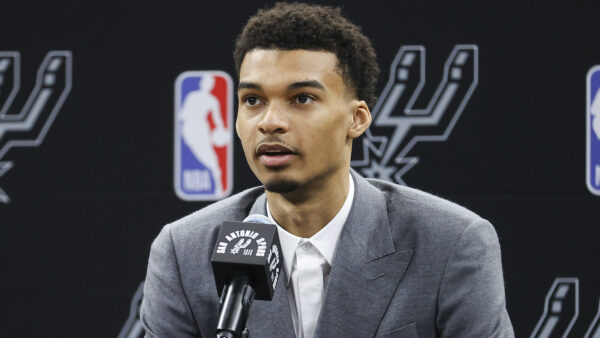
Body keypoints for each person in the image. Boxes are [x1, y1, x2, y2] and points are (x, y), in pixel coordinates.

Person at [141, 3, 514, 337]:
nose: (269, 122)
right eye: (252, 100)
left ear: (357, 119)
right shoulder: (183, 252)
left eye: (302, 98)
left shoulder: (452, 243)